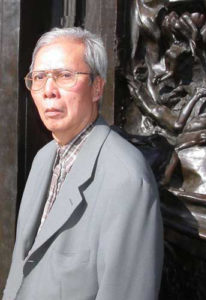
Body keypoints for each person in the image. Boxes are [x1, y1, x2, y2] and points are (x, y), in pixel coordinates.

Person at [3, 27, 163, 300]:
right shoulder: (45, 158)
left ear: (97, 87)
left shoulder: (125, 178)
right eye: (39, 77)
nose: (49, 90)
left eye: (65, 76)